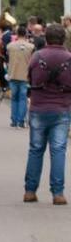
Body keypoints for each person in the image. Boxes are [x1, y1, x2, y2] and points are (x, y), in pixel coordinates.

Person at [24, 23, 71, 205]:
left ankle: (30, 191)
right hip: (61, 110)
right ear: (63, 39)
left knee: (35, 150)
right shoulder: (69, 58)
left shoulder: (37, 57)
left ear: (46, 38)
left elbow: (30, 77)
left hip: (38, 109)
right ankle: (58, 193)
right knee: (58, 151)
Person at [7, 27, 35, 129]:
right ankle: (21, 121)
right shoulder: (31, 46)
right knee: (22, 99)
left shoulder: (10, 46)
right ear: (26, 34)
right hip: (25, 76)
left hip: (13, 75)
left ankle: (14, 120)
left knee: (14, 98)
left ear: (17, 34)